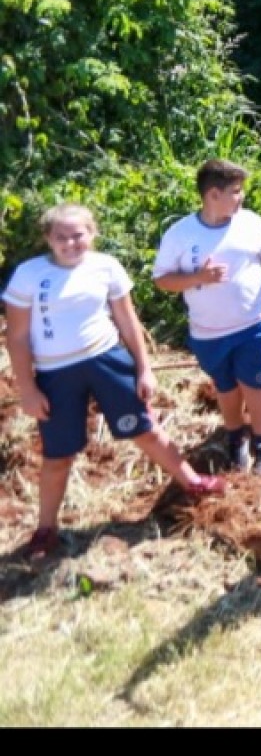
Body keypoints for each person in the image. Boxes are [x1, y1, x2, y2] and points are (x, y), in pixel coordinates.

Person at [7, 204, 227, 561]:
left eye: (77, 234)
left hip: (107, 359)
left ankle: (193, 483)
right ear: (48, 239)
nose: (70, 243)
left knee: (145, 428)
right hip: (55, 373)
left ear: (92, 233)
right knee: (58, 455)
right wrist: (27, 389)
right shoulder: (29, 275)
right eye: (60, 237)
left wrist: (144, 368)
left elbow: (127, 319)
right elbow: (16, 337)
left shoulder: (106, 266)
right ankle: (46, 528)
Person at [152, 159, 261, 475]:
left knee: (257, 380)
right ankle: (236, 439)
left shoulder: (249, 222)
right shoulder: (180, 234)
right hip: (208, 331)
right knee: (226, 385)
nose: (241, 197)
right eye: (235, 191)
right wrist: (198, 277)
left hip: (255, 321)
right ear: (213, 194)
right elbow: (162, 280)